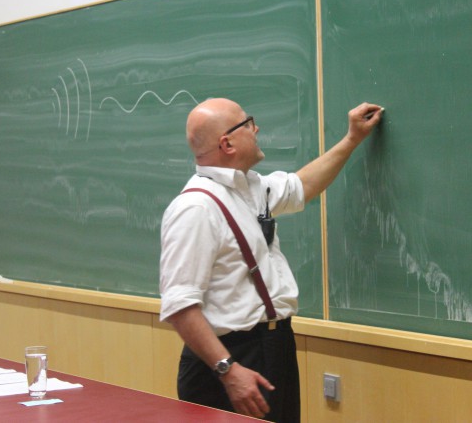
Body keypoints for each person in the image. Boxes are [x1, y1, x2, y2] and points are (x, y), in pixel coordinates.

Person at [159, 98, 383, 422]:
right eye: (248, 123)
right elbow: (180, 306)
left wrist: (352, 139)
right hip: (230, 357)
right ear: (227, 143)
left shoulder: (251, 188)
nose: (256, 128)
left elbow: (301, 186)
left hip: (272, 346)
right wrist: (228, 369)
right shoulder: (195, 209)